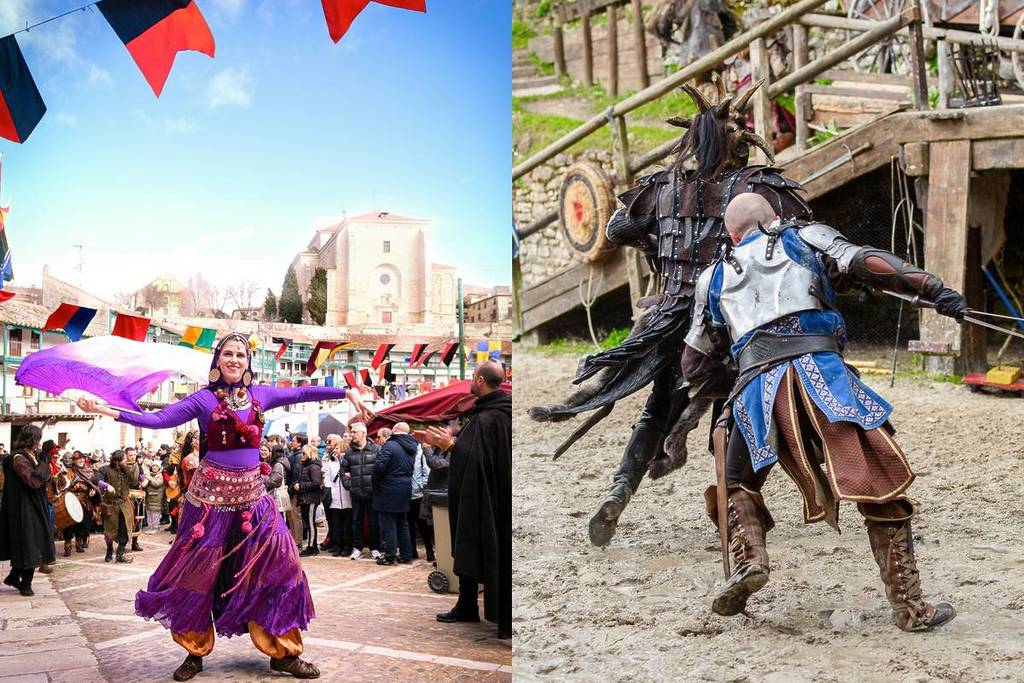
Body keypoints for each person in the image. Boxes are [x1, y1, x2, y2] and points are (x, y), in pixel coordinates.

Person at [528, 79, 812, 548]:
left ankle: (620, 492)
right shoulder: (756, 188)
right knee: (738, 412)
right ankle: (734, 512)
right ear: (736, 142)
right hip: (740, 317)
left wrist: (661, 245)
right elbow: (798, 231)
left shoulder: (660, 187)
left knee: (657, 410)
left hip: (673, 314)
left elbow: (618, 228)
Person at [682, 193, 962, 631]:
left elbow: (694, 364)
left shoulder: (711, 278)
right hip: (821, 377)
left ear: (732, 235)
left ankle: (749, 559)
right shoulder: (804, 237)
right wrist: (931, 288)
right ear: (774, 219)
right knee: (878, 479)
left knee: (735, 481)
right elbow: (865, 262)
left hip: (756, 389)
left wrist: (734, 378)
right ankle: (909, 608)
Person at [77, 332, 368, 680]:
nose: (234, 360)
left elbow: (301, 392)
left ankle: (284, 653)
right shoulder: (202, 400)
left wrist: (345, 392)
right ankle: (194, 652)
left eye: (241, 355)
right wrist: (109, 411)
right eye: (227, 354)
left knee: (282, 566)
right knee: (197, 574)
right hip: (210, 503)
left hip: (253, 499)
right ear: (217, 362)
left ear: (248, 363)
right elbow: (158, 419)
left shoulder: (260, 395)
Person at [415, 360, 512, 639]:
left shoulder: (489, 417)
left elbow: (479, 458)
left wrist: (450, 446)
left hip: (489, 499)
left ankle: (479, 608)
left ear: (481, 381)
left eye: (473, 376)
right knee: (470, 544)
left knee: (483, 546)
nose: (471, 380)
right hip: (492, 494)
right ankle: (467, 604)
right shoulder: (494, 413)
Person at [0, 425, 55, 597]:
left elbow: (46, 477)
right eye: (37, 439)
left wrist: (44, 460)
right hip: (23, 507)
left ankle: (13, 576)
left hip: (34, 504)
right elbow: (33, 481)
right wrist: (44, 461)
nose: (38, 443)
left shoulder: (32, 456)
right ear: (32, 439)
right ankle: (26, 584)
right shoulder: (18, 459)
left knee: (32, 540)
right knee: (29, 542)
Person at [372, 423, 416, 565]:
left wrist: (376, 481)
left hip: (388, 487)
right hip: (405, 486)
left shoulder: (390, 445)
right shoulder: (412, 446)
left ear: (395, 431)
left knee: (389, 524)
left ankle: (390, 556)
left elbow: (379, 466)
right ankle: (406, 554)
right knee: (402, 523)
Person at [340, 423, 380, 561]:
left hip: (372, 493)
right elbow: (343, 472)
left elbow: (382, 470)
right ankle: (357, 548)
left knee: (374, 522)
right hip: (356, 493)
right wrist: (350, 485)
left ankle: (375, 548)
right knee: (356, 522)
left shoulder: (376, 449)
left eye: (354, 432)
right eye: (351, 432)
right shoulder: (349, 453)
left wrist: (376, 486)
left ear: (363, 433)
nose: (352, 434)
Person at [97, 450, 139, 564]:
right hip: (111, 505)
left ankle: (120, 554)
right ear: (117, 461)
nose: (126, 461)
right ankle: (109, 550)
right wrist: (105, 485)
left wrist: (138, 469)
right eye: (124, 459)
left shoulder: (127, 470)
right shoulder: (105, 469)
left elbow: (135, 481)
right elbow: (95, 479)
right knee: (109, 531)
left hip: (124, 505)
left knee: (125, 530)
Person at [62, 451, 101, 555]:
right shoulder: (69, 471)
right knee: (69, 523)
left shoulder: (88, 471)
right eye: (78, 459)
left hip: (84, 501)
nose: (81, 461)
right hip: (71, 500)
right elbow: (64, 485)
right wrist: (76, 486)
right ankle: (68, 543)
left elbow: (93, 485)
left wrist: (92, 491)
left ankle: (79, 542)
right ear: (73, 461)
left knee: (83, 523)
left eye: (83, 459)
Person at [321, 434, 352, 557]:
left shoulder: (347, 461)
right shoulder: (331, 462)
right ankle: (337, 545)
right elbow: (327, 478)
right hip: (334, 496)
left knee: (347, 524)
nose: (335, 450)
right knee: (337, 523)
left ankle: (347, 545)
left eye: (337, 448)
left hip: (347, 496)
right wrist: (328, 491)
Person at [295, 444, 323, 557]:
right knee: (308, 521)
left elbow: (316, 483)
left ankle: (312, 547)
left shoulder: (313, 467)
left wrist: (301, 486)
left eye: (304, 453)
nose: (302, 455)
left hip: (310, 498)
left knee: (311, 522)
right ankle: (312, 546)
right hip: (306, 498)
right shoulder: (307, 465)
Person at [408, 438, 432, 562]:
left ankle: (429, 550)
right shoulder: (405, 453)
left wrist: (420, 486)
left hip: (419, 495)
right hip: (407, 495)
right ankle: (412, 551)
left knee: (423, 525)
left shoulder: (421, 454)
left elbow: (426, 473)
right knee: (409, 525)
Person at [286, 434, 308, 549]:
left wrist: (292, 487)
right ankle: (294, 540)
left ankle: (297, 541)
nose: (291, 442)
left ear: (300, 443)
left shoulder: (298, 456)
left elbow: (297, 473)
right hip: (292, 489)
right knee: (291, 516)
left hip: (294, 490)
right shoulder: (295, 455)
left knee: (295, 517)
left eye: (293, 441)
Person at [144, 463, 166, 533]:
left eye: (156, 466)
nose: (154, 467)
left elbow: (156, 484)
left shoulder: (160, 475)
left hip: (157, 498)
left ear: (159, 468)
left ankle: (156, 528)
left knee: (155, 513)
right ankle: (150, 527)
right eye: (153, 466)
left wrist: (149, 478)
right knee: (149, 512)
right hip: (149, 497)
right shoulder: (149, 474)